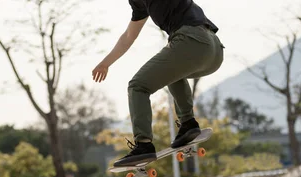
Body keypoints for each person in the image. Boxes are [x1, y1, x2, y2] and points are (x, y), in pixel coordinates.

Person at [92, 0, 224, 167]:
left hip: (192, 41)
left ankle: (144, 145)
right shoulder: (139, 3)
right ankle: (188, 124)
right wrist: (105, 63)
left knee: (137, 86)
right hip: (213, 50)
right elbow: (128, 36)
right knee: (171, 72)